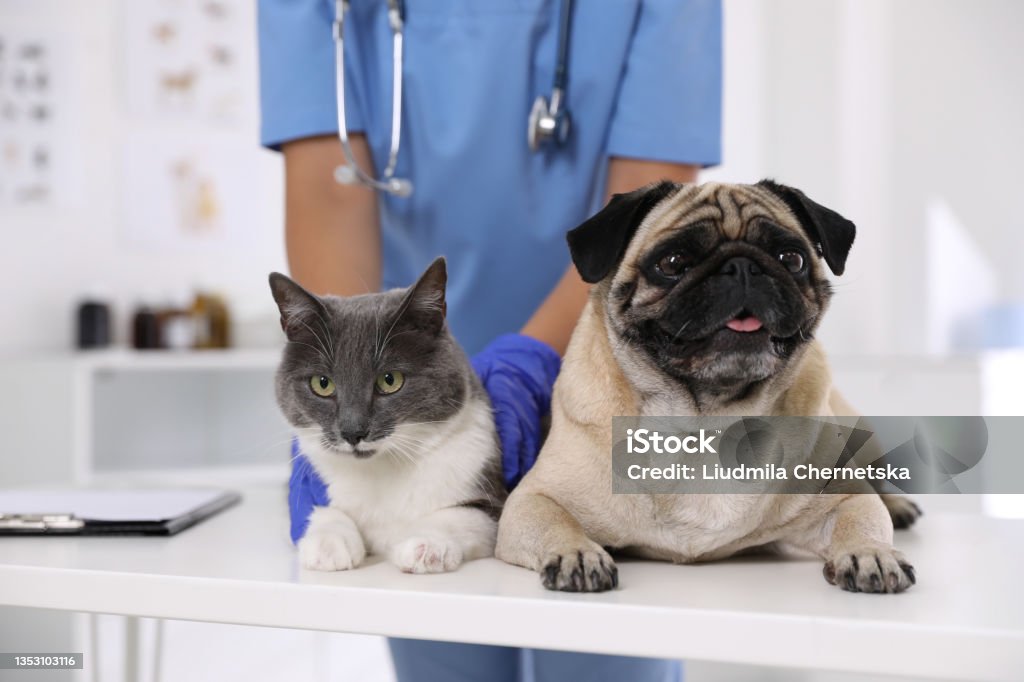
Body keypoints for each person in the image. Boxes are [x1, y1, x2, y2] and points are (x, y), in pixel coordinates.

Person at [258, 1, 721, 680]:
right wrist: (344, 370)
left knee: (606, 650)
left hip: (607, 375)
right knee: (441, 635)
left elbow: (649, 208)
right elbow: (330, 195)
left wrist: (528, 369)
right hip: (409, 416)